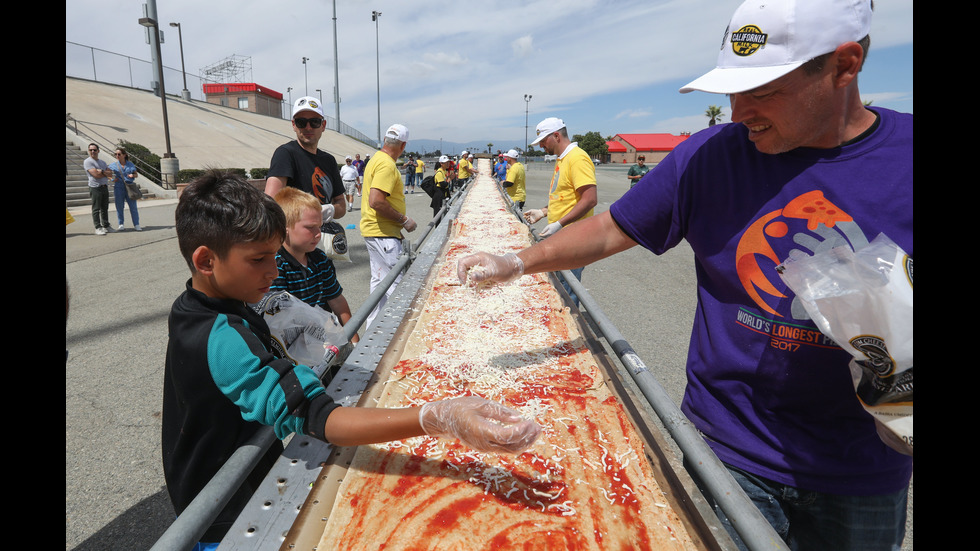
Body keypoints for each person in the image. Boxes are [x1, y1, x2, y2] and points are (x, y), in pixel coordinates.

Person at [457, 1, 912, 549]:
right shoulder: (711, 157)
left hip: (864, 464)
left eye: (763, 91)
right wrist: (518, 262)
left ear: (845, 66)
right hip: (730, 451)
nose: (738, 111)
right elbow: (609, 229)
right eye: (731, 92)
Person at [163, 170, 540, 548]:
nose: (273, 271)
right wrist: (438, 416)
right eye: (259, 259)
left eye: (274, 255)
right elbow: (320, 417)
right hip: (220, 508)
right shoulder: (223, 339)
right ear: (206, 261)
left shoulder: (200, 305)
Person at [523, 117, 597, 305]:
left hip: (574, 238)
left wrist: (560, 223)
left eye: (543, 141)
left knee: (567, 289)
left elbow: (589, 199)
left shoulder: (577, 158)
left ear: (556, 136)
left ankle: (570, 326)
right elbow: (566, 197)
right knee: (558, 286)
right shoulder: (563, 159)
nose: (541, 147)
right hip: (563, 236)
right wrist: (543, 211)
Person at [270, 187, 358, 345]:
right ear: (284, 228)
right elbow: (279, 319)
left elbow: (337, 300)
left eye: (320, 226)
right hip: (291, 347)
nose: (318, 233)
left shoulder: (320, 258)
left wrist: (354, 341)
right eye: (310, 227)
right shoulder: (275, 265)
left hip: (319, 339)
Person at [359, 124, 418, 328]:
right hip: (383, 233)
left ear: (385, 140)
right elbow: (376, 200)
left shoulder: (376, 159)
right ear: (402, 145)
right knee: (396, 284)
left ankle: (373, 328)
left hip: (375, 231)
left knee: (379, 283)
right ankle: (398, 332)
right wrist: (403, 220)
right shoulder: (386, 165)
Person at [265, 96, 346, 226]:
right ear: (294, 125)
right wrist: (308, 214)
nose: (308, 128)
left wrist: (330, 210)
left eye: (314, 122)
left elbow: (341, 204)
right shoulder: (285, 154)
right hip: (296, 240)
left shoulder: (329, 160)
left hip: (324, 236)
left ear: (323, 125)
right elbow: (271, 203)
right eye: (301, 122)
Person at [108, 147, 141, 231]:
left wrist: (132, 175)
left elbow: (136, 174)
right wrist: (111, 179)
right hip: (119, 187)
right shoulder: (114, 165)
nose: (117, 156)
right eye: (116, 154)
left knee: (133, 206)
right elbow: (107, 172)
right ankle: (121, 224)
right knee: (119, 206)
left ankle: (136, 224)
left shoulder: (130, 164)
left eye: (119, 154)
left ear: (124, 155)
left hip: (129, 186)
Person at [83, 143, 113, 235]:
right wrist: (104, 173)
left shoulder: (102, 162)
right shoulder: (88, 162)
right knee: (96, 208)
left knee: (105, 207)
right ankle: (98, 227)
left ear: (98, 151)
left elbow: (110, 173)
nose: (93, 152)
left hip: (104, 186)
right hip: (95, 187)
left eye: (94, 150)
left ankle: (106, 225)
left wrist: (102, 171)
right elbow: (96, 175)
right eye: (91, 150)